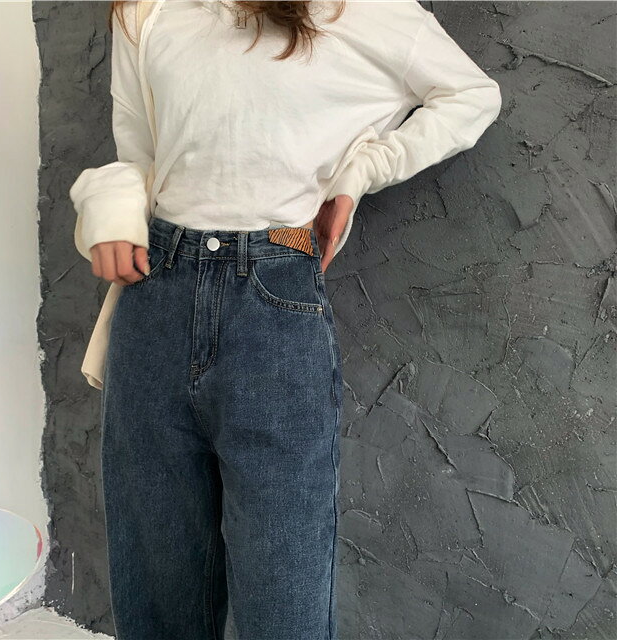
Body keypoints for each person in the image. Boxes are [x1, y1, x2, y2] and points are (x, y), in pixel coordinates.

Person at [69, 1, 502, 638]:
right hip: (155, 294)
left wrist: (362, 170)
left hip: (273, 304)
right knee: (157, 589)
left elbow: (472, 95)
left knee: (284, 597)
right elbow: (139, 154)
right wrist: (110, 210)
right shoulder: (147, 9)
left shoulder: (359, 9)